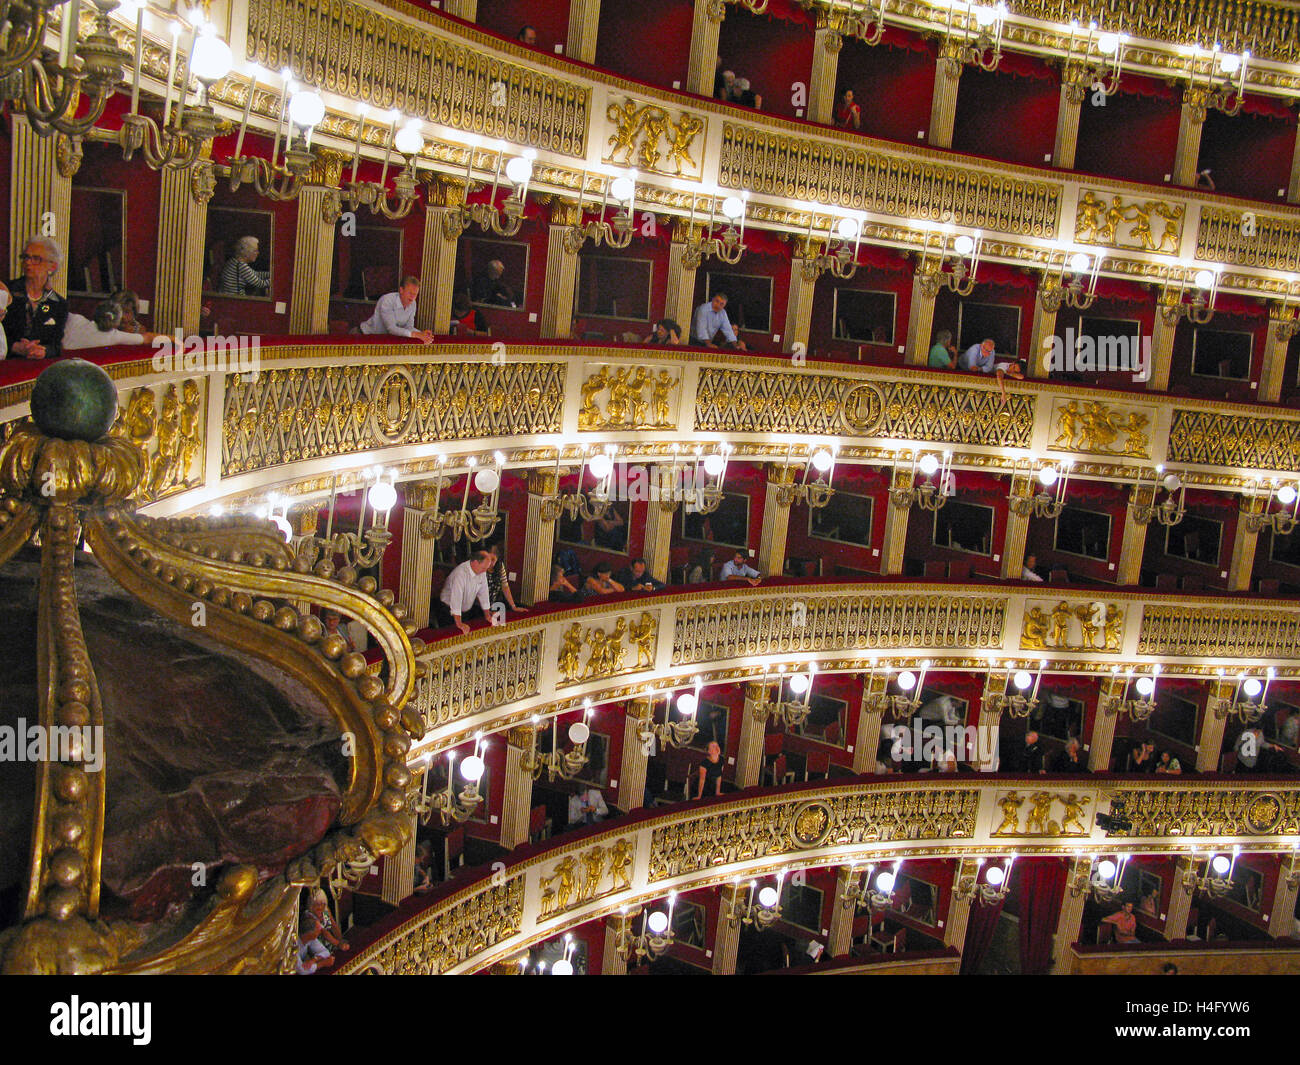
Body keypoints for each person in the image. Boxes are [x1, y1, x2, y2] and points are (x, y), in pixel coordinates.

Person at [4, 235, 68, 360]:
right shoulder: (7, 292)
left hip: (38, 368)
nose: (28, 262)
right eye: (26, 257)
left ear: (52, 266)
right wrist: (15, 346)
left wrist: (43, 351)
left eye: (36, 259)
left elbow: (56, 346)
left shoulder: (58, 303)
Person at [437, 550, 502, 634]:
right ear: (475, 562)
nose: (484, 571)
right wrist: (459, 623)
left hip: (465, 610)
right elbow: (456, 599)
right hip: (448, 611)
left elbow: (484, 593)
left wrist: (487, 615)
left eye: (486, 568)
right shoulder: (460, 574)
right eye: (483, 568)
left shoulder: (481, 571)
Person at [358, 274, 434, 343]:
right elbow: (391, 328)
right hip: (363, 336)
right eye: (410, 293)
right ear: (401, 290)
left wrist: (422, 334)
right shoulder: (387, 300)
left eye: (415, 294)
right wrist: (416, 335)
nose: (413, 297)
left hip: (384, 341)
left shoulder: (413, 303)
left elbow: (409, 327)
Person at [63, 300, 155, 350]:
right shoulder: (115, 336)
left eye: (128, 312)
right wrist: (170, 337)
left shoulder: (75, 319)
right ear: (117, 321)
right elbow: (148, 338)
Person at [485, 543, 528, 616]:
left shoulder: (499, 566)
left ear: (497, 558)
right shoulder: (479, 568)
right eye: (488, 560)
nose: (490, 563)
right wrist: (487, 611)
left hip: (495, 603)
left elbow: (505, 586)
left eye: (493, 560)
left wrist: (513, 606)